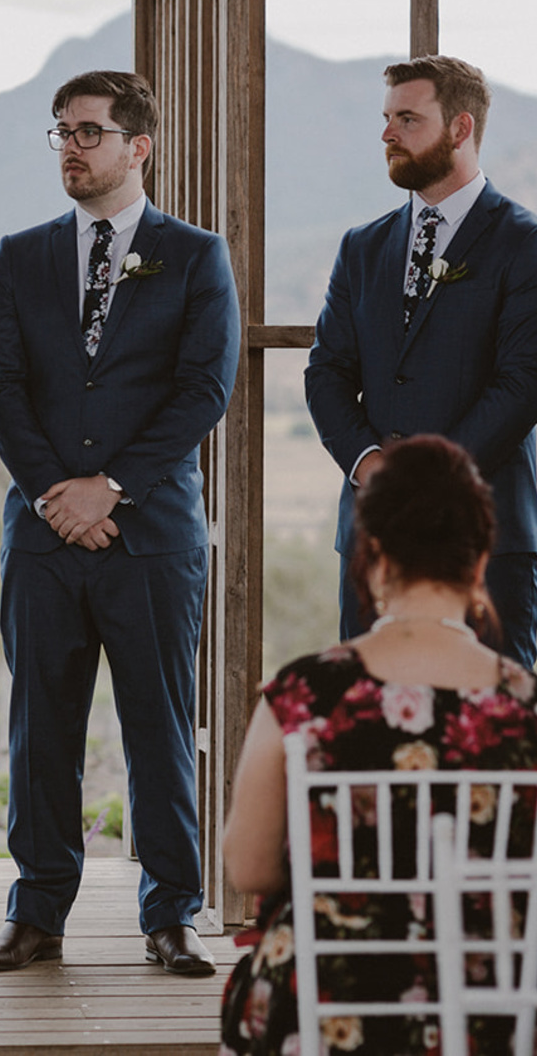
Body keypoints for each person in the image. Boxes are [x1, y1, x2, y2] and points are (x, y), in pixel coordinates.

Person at [0, 70, 240, 975]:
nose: (72, 148)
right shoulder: (20, 255)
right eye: (61, 133)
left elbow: (205, 387)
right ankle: (37, 911)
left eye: (89, 131)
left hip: (152, 536)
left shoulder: (197, 256)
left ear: (139, 145)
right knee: (39, 727)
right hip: (44, 536)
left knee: (159, 727)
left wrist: (112, 487)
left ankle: (172, 913)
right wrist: (59, 492)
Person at [220, 434, 537, 1054]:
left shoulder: (303, 692)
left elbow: (248, 866)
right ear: (478, 565)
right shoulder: (526, 706)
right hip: (493, 1006)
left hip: (321, 1001)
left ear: (372, 556)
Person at [305, 54, 537, 668]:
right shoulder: (362, 247)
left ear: (460, 129)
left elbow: (522, 384)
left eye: (407, 118)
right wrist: (369, 466)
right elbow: (326, 372)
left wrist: (431, 487)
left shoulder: (524, 242)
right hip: (371, 537)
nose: (387, 134)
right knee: (367, 723)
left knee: (492, 739)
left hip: (485, 533)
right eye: (387, 118)